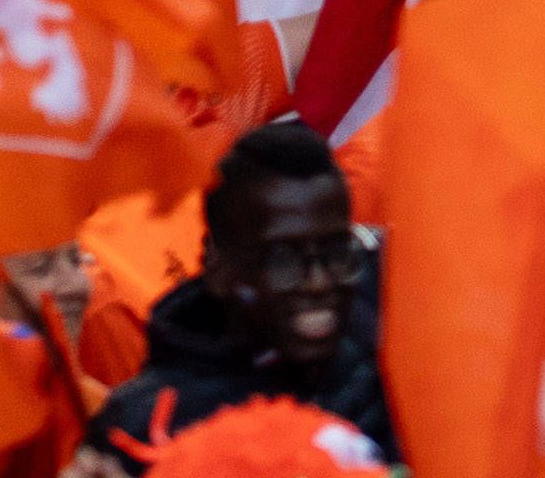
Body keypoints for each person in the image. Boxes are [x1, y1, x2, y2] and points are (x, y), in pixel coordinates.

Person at [88, 122, 395, 466]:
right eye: (283, 260)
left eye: (336, 253)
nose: (318, 282)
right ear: (218, 268)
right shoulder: (145, 428)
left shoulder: (388, 391)